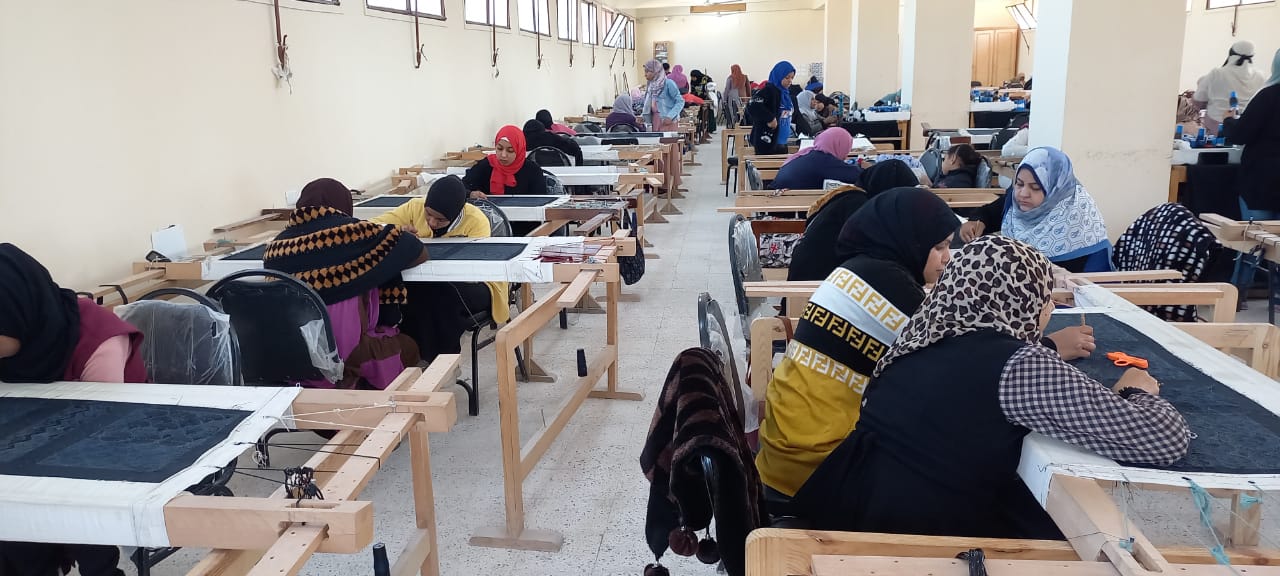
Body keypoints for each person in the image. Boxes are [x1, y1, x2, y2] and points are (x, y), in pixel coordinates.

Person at [792, 236, 1190, 538]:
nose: (1049, 309)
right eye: (1043, 299)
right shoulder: (1018, 366)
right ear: (1018, 299)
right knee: (1079, 531)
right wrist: (1135, 391)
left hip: (849, 503)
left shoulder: (922, 334)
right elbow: (1162, 440)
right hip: (916, 536)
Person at [756, 188, 961, 503]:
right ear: (913, 241)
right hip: (815, 464)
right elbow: (955, 366)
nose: (948, 258)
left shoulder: (856, 270)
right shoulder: (893, 287)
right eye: (939, 247)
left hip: (784, 446)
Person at [0, 243, 149, 576]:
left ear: (16, 313)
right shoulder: (18, 344)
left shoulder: (97, 340)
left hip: (114, 441)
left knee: (74, 513)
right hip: (34, 443)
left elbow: (96, 437)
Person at [264, 178, 426, 390]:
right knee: (410, 347)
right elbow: (416, 250)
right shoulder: (353, 234)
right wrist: (394, 236)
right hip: (345, 354)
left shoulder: (275, 248)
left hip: (291, 356)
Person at [371, 176, 510, 364]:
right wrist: (396, 233)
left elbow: (471, 270)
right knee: (408, 293)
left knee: (442, 295)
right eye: (428, 214)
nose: (432, 223)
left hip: (480, 284)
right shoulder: (414, 208)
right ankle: (414, 356)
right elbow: (371, 227)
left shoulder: (476, 221)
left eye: (441, 220)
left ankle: (444, 362)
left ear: (456, 214)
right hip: (429, 282)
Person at [959, 147, 1112, 273]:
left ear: (1055, 190)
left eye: (1036, 187)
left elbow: (1094, 289)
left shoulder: (1080, 223)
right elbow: (989, 213)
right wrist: (976, 222)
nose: (1023, 193)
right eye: (1019, 184)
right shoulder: (1016, 202)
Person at [786, 159, 920, 282]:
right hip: (814, 282)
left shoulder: (851, 197)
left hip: (810, 274)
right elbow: (875, 252)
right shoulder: (858, 205)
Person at [1228, 49, 1280, 289]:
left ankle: (1238, 294)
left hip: (1261, 181)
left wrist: (1229, 121)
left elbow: (1241, 134)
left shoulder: (1269, 96)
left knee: (1252, 242)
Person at [1195, 41, 1266, 136]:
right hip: (1248, 129)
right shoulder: (1260, 77)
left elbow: (1198, 100)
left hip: (1216, 127)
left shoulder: (1217, 73)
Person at [462, 125, 548, 198]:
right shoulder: (487, 165)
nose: (503, 155)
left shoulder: (533, 171)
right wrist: (470, 194)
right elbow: (462, 187)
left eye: (510, 151)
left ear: (519, 150)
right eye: (499, 148)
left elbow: (540, 201)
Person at [771, 127, 860, 191]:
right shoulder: (825, 160)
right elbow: (858, 175)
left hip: (775, 199)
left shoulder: (808, 153)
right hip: (790, 206)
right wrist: (863, 165)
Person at [747, 61, 796, 155]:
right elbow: (752, 104)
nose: (790, 81)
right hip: (767, 142)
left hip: (782, 143)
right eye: (787, 77)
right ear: (778, 76)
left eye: (792, 78)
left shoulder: (786, 95)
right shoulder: (770, 90)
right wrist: (770, 118)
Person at [642, 59, 683, 132]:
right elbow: (648, 103)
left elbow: (680, 101)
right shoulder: (651, 85)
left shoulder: (669, 83)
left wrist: (670, 116)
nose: (645, 74)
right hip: (655, 120)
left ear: (655, 72)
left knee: (667, 139)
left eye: (647, 71)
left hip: (668, 121)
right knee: (657, 139)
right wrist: (643, 116)